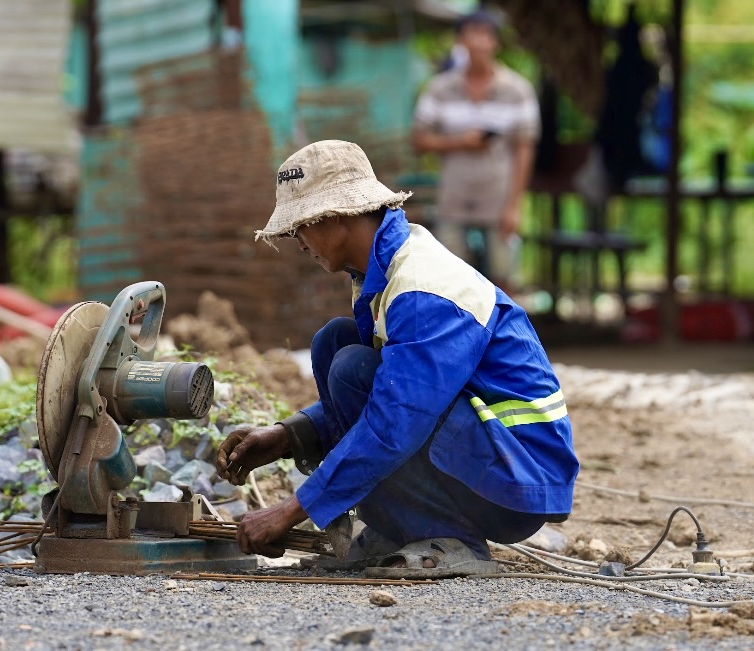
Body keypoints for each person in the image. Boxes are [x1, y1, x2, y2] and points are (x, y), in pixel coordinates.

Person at [216, 139, 578, 577]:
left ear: (338, 217)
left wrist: (293, 509)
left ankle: (450, 539)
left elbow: (395, 421)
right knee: (336, 344)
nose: (298, 242)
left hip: (518, 475)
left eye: (301, 226)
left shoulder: (423, 288)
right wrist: (289, 434)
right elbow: (397, 388)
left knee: (351, 367)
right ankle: (405, 529)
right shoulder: (384, 274)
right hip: (489, 455)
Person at [412, 9, 539, 291]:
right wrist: (460, 142)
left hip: (499, 198)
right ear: (460, 41)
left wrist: (515, 206)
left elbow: (524, 149)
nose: (480, 43)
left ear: (496, 42)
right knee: (450, 280)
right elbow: (418, 141)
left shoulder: (518, 90)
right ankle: (462, 336)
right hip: (453, 199)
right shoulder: (439, 89)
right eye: (473, 34)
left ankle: (502, 335)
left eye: (486, 35)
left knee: (504, 279)